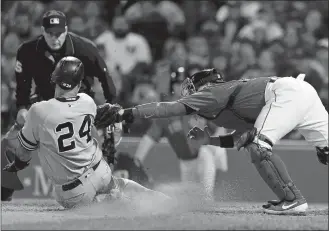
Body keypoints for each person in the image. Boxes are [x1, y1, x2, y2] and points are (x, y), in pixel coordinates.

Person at [96, 68, 328, 215]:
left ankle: (292, 199)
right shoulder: (237, 99)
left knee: (258, 147)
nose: (189, 94)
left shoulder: (211, 92)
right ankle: (290, 198)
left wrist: (125, 113)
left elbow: (168, 108)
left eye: (192, 89)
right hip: (302, 93)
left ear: (204, 86)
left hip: (286, 93)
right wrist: (209, 139)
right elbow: (241, 139)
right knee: (325, 151)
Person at [2, 56, 169, 209]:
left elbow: (24, 154)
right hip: (99, 171)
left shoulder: (38, 110)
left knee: (121, 207)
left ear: (55, 78)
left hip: (73, 193)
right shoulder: (87, 101)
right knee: (121, 185)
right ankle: (166, 201)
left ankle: (129, 204)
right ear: (78, 83)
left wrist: (15, 166)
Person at [2, 10, 117, 201]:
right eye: (50, 33)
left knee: (101, 153)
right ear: (42, 30)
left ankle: (106, 187)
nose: (55, 38)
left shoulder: (84, 48)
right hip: (45, 104)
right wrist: (22, 110)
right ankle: (4, 194)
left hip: (80, 107)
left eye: (59, 33)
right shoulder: (28, 51)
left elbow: (106, 79)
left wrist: (113, 108)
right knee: (7, 142)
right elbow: (22, 89)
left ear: (66, 30)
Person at [132, 67, 228, 200]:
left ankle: (211, 196)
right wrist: (137, 160)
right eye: (178, 84)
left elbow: (221, 127)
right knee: (190, 199)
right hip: (186, 163)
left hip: (203, 156)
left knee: (206, 194)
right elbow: (149, 138)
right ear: (172, 87)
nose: (181, 87)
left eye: (185, 84)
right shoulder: (166, 113)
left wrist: (217, 150)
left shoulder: (200, 104)